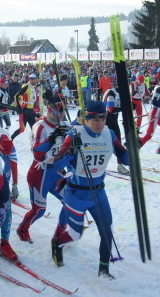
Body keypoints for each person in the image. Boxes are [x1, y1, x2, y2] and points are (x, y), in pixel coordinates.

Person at [51, 100, 129, 278]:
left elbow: (126, 160)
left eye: (102, 120)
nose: (99, 124)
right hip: (76, 193)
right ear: (86, 119)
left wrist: (134, 146)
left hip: (98, 193)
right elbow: (55, 164)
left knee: (107, 233)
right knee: (75, 235)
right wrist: (71, 151)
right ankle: (57, 243)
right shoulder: (74, 134)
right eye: (95, 120)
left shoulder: (109, 135)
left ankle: (103, 270)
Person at [17, 92, 67, 243]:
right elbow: (37, 154)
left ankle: (59, 234)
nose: (62, 114)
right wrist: (52, 139)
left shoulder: (64, 125)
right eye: (59, 110)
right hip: (39, 174)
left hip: (55, 173)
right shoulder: (40, 127)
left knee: (70, 202)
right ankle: (22, 229)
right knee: (39, 210)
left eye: (64, 110)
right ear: (50, 109)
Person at [140, 72, 160, 156]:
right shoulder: (159, 89)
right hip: (155, 113)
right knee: (149, 134)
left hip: (158, 113)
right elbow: (154, 102)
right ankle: (136, 148)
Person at [102, 85, 130, 173]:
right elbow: (111, 109)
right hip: (105, 121)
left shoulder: (121, 94)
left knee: (118, 143)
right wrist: (125, 108)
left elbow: (121, 107)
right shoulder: (112, 93)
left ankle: (120, 165)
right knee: (104, 145)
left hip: (114, 121)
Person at [11, 74, 40, 140]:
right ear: (31, 79)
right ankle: (11, 139)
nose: (37, 81)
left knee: (34, 128)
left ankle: (35, 143)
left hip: (30, 111)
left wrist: (34, 104)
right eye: (35, 80)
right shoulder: (26, 86)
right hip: (24, 111)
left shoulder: (32, 87)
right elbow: (16, 96)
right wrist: (19, 108)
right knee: (22, 129)